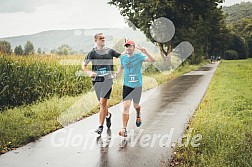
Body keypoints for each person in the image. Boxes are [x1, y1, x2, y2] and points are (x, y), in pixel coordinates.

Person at [82, 33, 121, 135]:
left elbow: (122, 57)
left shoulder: (110, 51)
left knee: (103, 102)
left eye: (104, 38)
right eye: (101, 38)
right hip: (97, 81)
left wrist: (128, 50)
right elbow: (84, 65)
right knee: (102, 103)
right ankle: (108, 115)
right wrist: (89, 72)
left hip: (108, 80)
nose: (103, 39)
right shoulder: (92, 53)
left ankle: (100, 126)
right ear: (96, 40)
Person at [115, 40, 155, 137]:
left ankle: (138, 114)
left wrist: (145, 52)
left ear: (133, 47)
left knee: (136, 106)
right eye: (126, 46)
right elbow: (121, 67)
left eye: (129, 46)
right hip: (127, 85)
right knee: (126, 106)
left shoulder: (139, 57)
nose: (128, 48)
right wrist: (117, 73)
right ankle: (124, 129)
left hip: (137, 86)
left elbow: (153, 60)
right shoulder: (123, 58)